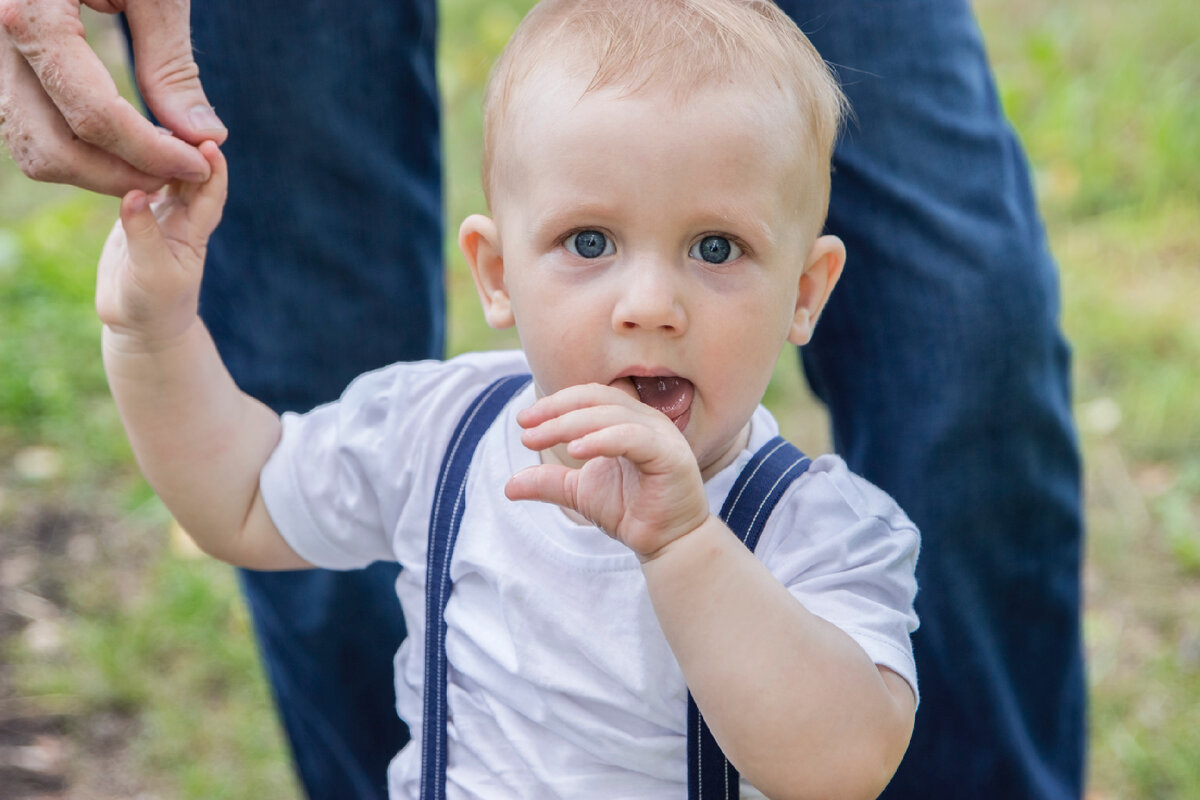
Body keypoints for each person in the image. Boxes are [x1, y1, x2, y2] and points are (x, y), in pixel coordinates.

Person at [0, 0, 1086, 798]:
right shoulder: (441, 434)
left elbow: (842, 760)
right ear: (496, 272)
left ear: (805, 292)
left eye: (717, 247)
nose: (649, 303)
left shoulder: (816, 531)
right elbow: (235, 493)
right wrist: (149, 329)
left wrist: (687, 548)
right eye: (588, 242)